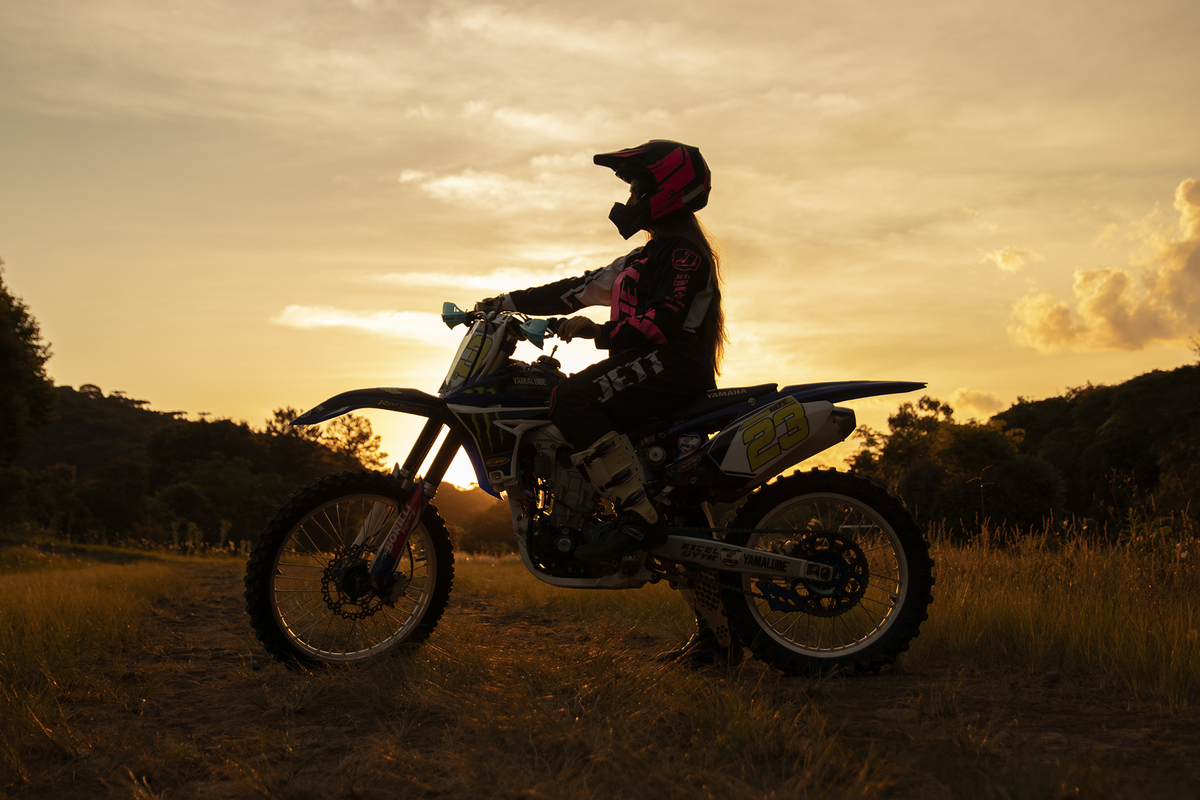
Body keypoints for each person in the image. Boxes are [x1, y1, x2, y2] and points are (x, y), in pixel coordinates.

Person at [478, 140, 741, 664]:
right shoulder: (643, 256)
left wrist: (597, 332)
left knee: (570, 398)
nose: (631, 199)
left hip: (672, 366)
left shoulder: (683, 254)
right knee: (679, 505)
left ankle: (637, 515)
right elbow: (577, 287)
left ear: (668, 191)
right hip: (648, 365)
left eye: (639, 188)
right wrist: (505, 302)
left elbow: (661, 322)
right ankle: (720, 641)